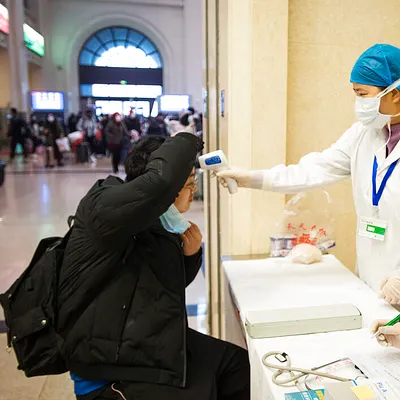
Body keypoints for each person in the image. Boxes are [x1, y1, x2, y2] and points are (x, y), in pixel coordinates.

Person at [57, 133, 250, 400]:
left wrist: (190, 255)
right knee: (204, 390)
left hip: (147, 341)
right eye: (189, 184)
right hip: (108, 366)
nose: (193, 192)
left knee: (238, 368)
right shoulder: (103, 207)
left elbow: (163, 287)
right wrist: (190, 140)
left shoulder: (162, 222)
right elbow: (161, 180)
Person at [217, 43, 400, 299]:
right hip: (372, 282)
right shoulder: (363, 134)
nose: (358, 103)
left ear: (395, 94)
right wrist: (253, 178)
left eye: (363, 94)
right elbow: (314, 169)